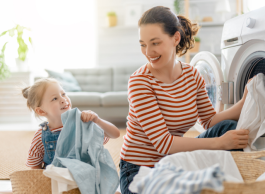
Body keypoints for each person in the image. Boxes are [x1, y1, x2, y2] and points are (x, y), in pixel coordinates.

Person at [119, 6, 250, 194]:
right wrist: (220, 143)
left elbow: (209, 121)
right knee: (222, 140)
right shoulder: (140, 82)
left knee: (228, 127)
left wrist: (245, 102)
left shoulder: (192, 74)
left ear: (176, 38)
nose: (148, 51)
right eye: (143, 44)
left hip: (175, 161)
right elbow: (164, 143)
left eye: (155, 43)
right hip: (140, 169)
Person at [22, 78, 120, 169]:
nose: (63, 99)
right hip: (57, 184)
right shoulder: (40, 136)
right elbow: (34, 165)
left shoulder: (84, 123)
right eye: (55, 99)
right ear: (41, 111)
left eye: (63, 94)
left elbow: (115, 134)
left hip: (86, 181)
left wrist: (97, 120)